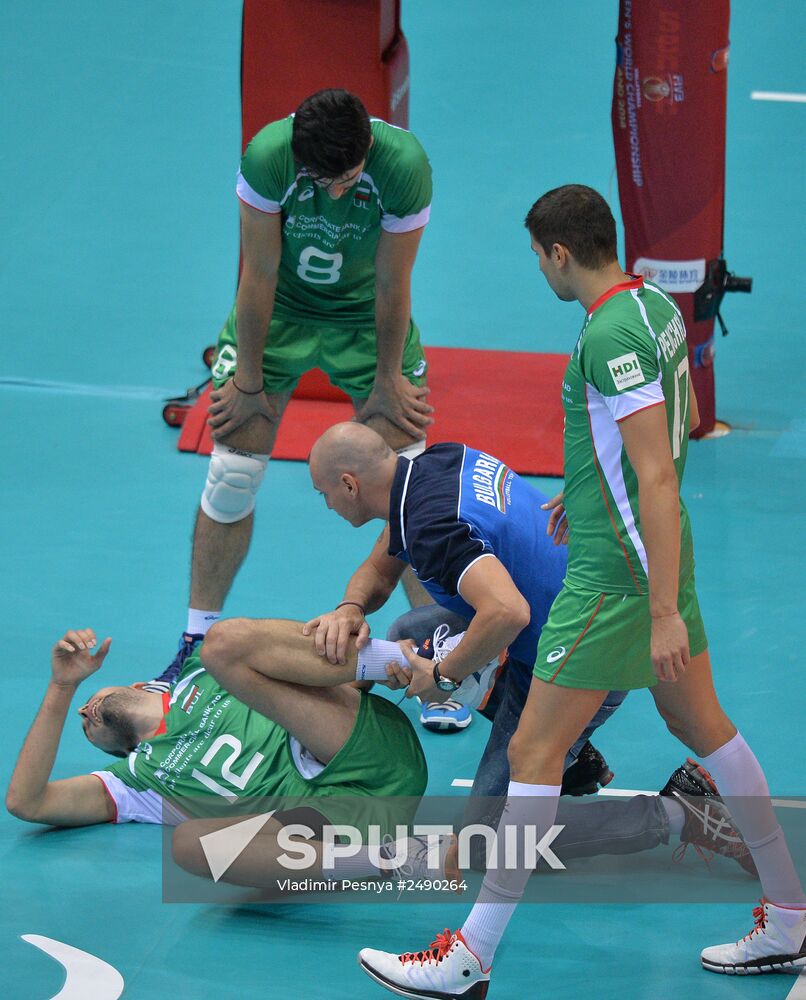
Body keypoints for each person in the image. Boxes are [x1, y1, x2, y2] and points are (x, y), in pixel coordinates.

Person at [357, 184, 806, 997]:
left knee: (533, 750)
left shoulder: (604, 336)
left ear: (560, 252)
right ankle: (790, 917)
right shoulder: (659, 310)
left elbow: (659, 468)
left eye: (537, 254)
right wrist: (590, 484)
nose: (538, 266)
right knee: (700, 723)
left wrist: (659, 603)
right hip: (651, 553)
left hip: (617, 578)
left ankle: (471, 956)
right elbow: (683, 413)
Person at [170, 87, 444, 714]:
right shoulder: (269, 157)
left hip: (366, 318)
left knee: (408, 486)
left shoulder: (403, 167)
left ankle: (439, 659)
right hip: (282, 311)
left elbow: (393, 280)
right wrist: (247, 384)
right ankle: (194, 637)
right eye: (327, 180)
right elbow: (259, 275)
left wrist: (385, 381)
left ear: (368, 150)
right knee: (232, 474)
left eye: (350, 178)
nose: (341, 192)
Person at [304, 420, 626, 797]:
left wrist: (444, 676)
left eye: (323, 493)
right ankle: (572, 758)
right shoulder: (438, 463)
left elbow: (508, 611)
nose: (326, 504)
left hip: (582, 658)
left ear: (349, 485)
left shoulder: (433, 527)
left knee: (483, 847)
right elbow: (378, 569)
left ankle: (674, 814)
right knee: (412, 634)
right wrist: (350, 608)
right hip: (581, 610)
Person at [6, 625, 441, 890]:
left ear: (141, 685)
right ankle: (397, 859)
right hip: (338, 824)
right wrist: (62, 688)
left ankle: (418, 662)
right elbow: (29, 803)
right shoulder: (135, 781)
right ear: (116, 752)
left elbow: (311, 679)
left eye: (88, 701)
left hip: (367, 751)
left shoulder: (201, 670)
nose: (86, 713)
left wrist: (360, 670)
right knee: (190, 844)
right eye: (86, 728)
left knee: (225, 644)